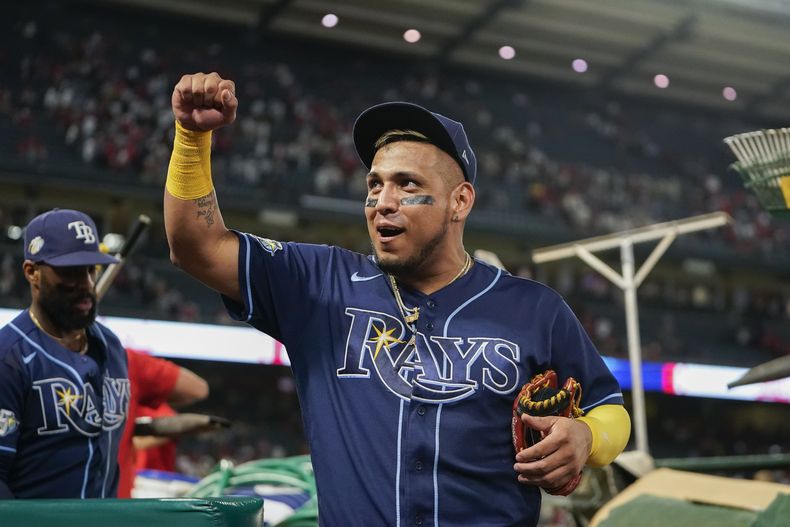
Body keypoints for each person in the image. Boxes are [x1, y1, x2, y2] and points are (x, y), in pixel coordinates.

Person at [163, 72, 631, 526]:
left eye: (408, 185)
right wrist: (191, 139)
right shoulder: (321, 284)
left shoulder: (534, 308)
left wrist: (587, 437)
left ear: (459, 202)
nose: (383, 201)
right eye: (374, 184)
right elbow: (197, 248)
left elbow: (609, 407)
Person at [0, 208, 129, 498]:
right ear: (32, 272)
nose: (85, 284)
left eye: (90, 269)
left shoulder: (112, 347)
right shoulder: (8, 358)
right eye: (70, 272)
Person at [116, 348, 209, 498]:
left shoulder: (152, 406)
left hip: (157, 479)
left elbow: (173, 424)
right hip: (137, 476)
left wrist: (135, 440)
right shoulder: (120, 401)